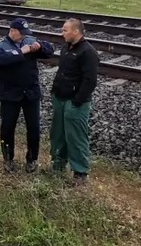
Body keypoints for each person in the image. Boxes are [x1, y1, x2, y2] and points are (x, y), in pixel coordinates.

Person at [0, 18, 55, 173]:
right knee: (7, 128)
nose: (24, 37)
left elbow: (49, 50)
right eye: (21, 34)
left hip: (30, 93)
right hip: (10, 94)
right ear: (12, 31)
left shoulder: (29, 40)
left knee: (33, 128)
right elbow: (1, 60)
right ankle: (8, 159)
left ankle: (32, 159)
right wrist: (21, 52)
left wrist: (40, 46)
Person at [50, 18, 99, 186]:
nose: (62, 33)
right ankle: (57, 165)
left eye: (65, 30)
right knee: (58, 135)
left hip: (74, 103)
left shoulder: (88, 52)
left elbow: (90, 80)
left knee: (76, 137)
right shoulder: (66, 48)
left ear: (76, 32)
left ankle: (80, 173)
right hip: (60, 99)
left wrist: (77, 100)